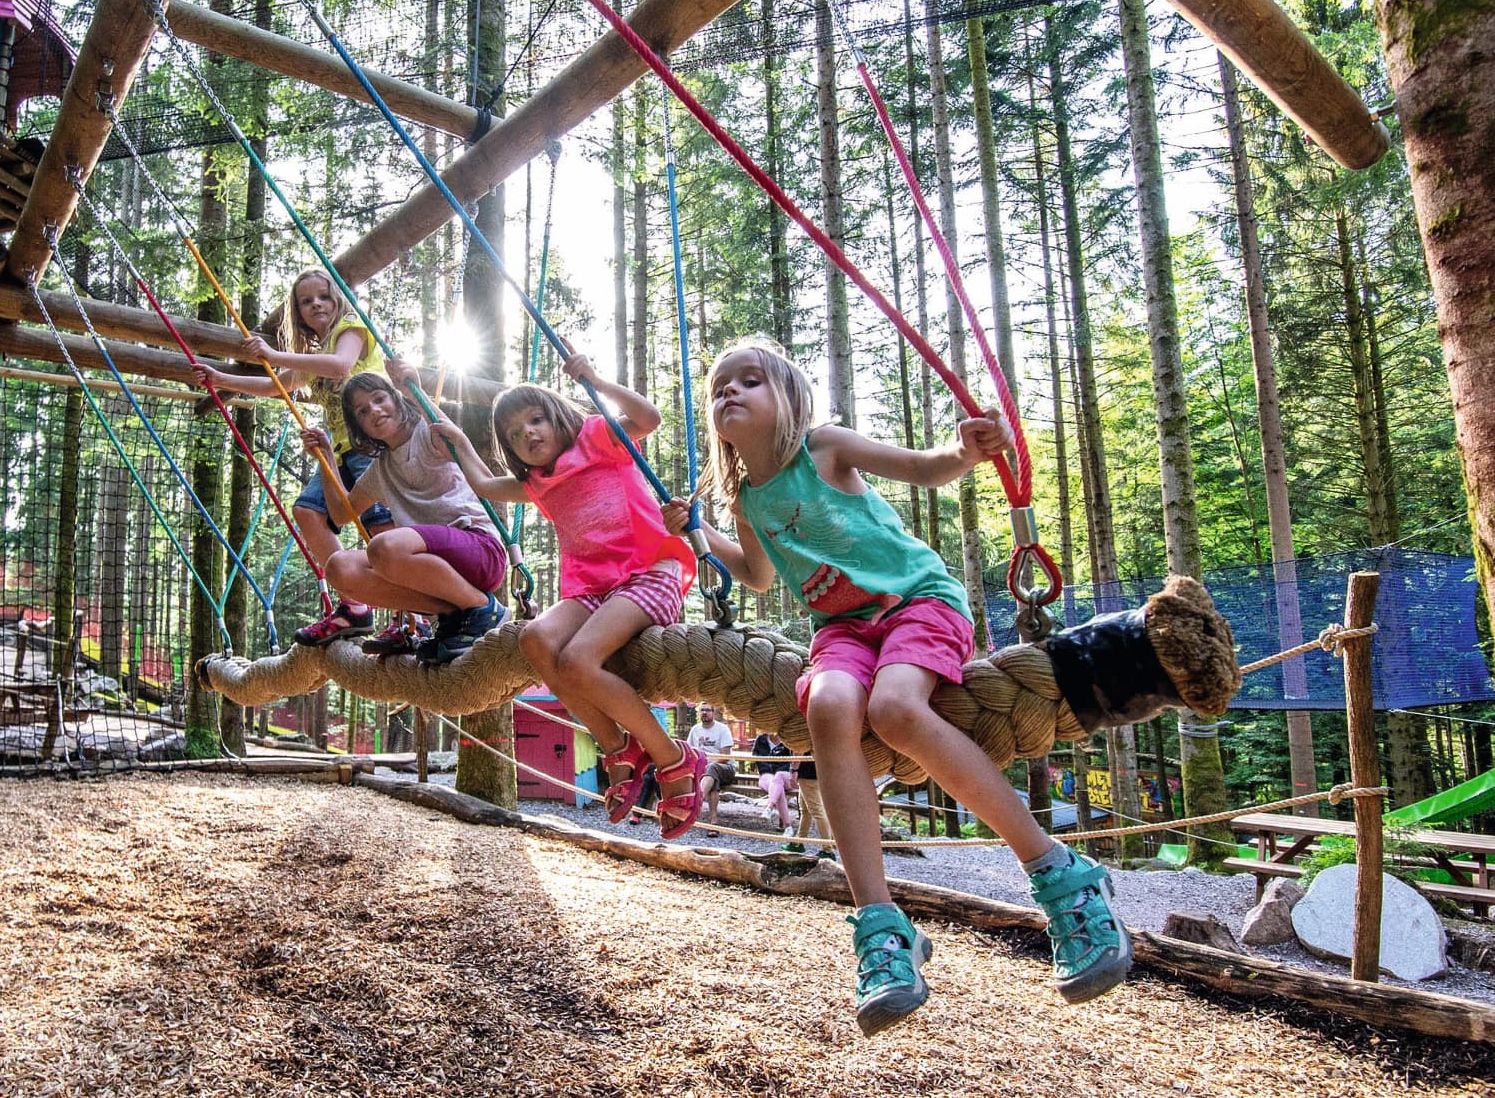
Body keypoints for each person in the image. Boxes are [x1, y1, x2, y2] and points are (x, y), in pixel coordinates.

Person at [667, 341, 1131, 1036]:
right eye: (719, 388)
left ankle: (1059, 872)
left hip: (917, 602)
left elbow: (925, 469)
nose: (729, 392)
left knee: (892, 710)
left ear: (789, 398)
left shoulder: (824, 449)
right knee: (827, 707)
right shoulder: (746, 499)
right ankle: (883, 930)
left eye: (749, 380)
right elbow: (759, 577)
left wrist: (966, 450)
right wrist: (699, 533)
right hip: (843, 631)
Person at [432, 352, 705, 838]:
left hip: (649, 573)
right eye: (515, 434)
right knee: (535, 640)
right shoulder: (537, 483)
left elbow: (648, 418)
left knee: (578, 660)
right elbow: (482, 485)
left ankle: (673, 757)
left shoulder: (598, 438)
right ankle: (616, 747)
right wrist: (457, 440)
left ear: (558, 415)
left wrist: (596, 379)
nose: (529, 435)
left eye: (535, 420)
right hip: (594, 590)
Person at [192, 267, 390, 647]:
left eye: (323, 296)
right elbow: (275, 385)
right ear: (298, 313)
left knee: (381, 528)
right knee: (308, 511)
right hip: (340, 450)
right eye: (306, 301)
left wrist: (273, 353)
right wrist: (222, 380)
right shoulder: (311, 359)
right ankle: (356, 604)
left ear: (336, 301)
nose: (316, 304)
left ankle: (415, 617)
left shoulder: (350, 328)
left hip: (369, 444)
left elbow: (341, 365)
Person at [317, 363, 508, 663]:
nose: (375, 411)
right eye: (363, 411)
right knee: (339, 568)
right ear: (359, 426)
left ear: (395, 399)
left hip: (479, 550)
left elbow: (454, 439)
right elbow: (341, 514)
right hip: (436, 570)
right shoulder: (381, 470)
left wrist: (415, 393)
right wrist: (326, 457)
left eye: (380, 399)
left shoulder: (428, 434)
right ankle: (452, 613)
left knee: (383, 548)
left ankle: (483, 608)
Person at [684, 703, 737, 835]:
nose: (705, 713)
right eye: (702, 710)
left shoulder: (722, 729)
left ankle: (696, 804)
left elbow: (725, 756)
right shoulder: (695, 730)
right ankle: (714, 822)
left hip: (726, 768)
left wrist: (707, 766)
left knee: (712, 769)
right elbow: (690, 752)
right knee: (713, 779)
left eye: (708, 710)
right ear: (698, 713)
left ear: (713, 713)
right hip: (705, 772)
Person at [752, 732, 797, 837]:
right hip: (766, 775)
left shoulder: (788, 738)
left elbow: (795, 760)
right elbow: (755, 758)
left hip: (786, 775)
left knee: (779, 776)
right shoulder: (761, 739)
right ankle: (788, 827)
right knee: (778, 787)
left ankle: (770, 807)